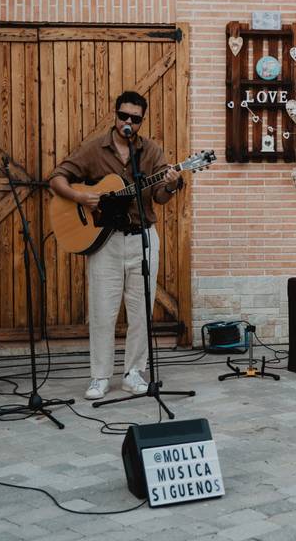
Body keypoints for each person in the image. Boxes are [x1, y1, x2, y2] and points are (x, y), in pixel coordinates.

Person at [49, 91, 182, 400]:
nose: (128, 123)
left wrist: (172, 184)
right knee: (102, 311)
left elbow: (160, 196)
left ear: (141, 121)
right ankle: (99, 377)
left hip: (143, 239)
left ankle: (134, 372)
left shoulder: (151, 152)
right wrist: (81, 197)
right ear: (116, 114)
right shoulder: (95, 149)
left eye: (135, 119)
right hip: (106, 242)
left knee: (140, 311)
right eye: (124, 116)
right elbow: (57, 177)